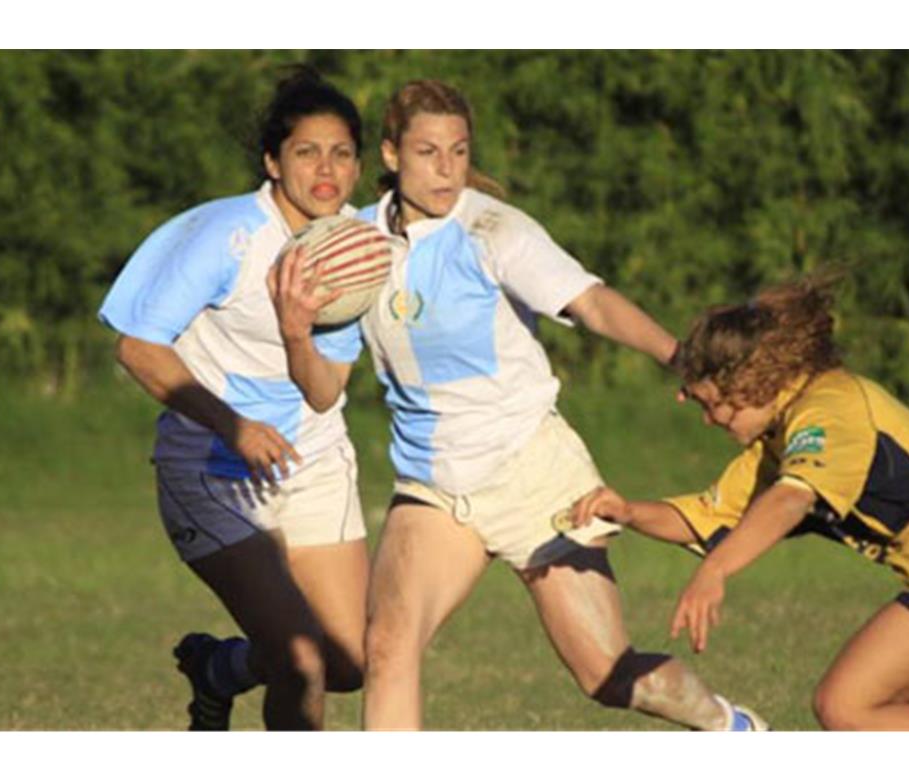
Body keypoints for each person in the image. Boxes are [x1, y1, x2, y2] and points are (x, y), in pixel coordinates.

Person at [277, 79, 763, 731]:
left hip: (533, 475)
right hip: (435, 489)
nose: (446, 168)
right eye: (427, 152)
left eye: (458, 150)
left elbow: (590, 301)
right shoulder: (354, 248)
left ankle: (729, 728)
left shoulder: (493, 228)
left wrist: (682, 357)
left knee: (608, 674)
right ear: (391, 155)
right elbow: (323, 389)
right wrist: (294, 331)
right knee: (388, 648)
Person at [569, 274, 909, 730]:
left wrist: (716, 571)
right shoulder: (779, 439)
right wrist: (629, 512)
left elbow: (788, 501)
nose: (708, 420)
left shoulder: (828, 408)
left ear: (748, 382)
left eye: (708, 403)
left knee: (845, 702)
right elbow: (709, 516)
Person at [98, 66, 372, 730]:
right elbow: (137, 347)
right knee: (302, 662)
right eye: (306, 151)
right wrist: (234, 425)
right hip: (214, 471)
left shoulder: (358, 248)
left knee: (349, 664)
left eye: (340, 152)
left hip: (312, 464)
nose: (325, 168)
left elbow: (325, 389)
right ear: (272, 162)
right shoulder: (230, 236)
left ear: (360, 166)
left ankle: (220, 669)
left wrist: (297, 331)